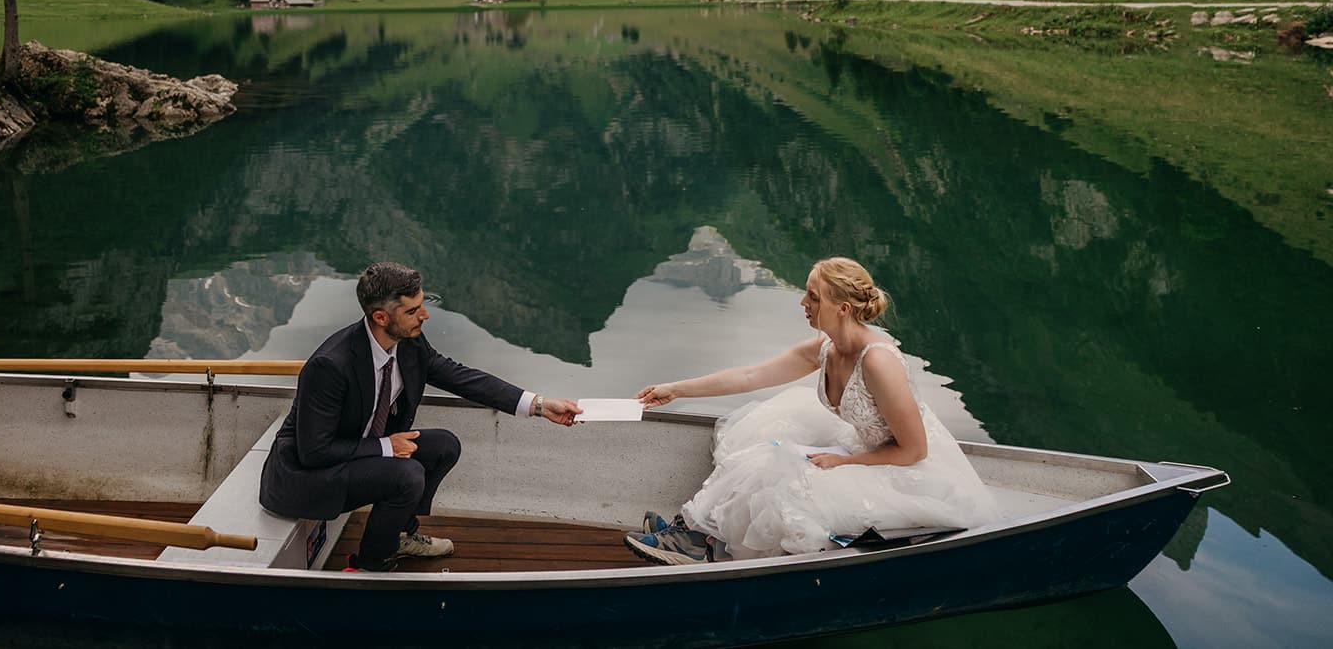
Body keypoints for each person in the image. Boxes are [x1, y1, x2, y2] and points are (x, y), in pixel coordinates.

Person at [625, 256, 997, 564]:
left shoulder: (879, 362)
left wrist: (845, 464)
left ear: (844, 308)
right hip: (860, 446)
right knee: (762, 449)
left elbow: (915, 450)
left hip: (903, 467)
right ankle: (697, 530)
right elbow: (751, 375)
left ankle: (701, 545)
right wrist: (675, 389)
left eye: (813, 296)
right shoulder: (827, 346)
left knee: (783, 476)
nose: (804, 303)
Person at [259, 261, 581, 571]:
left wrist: (539, 405)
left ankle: (398, 534)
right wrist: (387, 447)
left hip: (356, 450)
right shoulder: (330, 365)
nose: (424, 316)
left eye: (422, 305)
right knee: (407, 474)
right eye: (413, 311)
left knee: (444, 446)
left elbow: (461, 378)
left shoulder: (409, 343)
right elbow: (313, 452)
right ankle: (372, 566)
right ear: (381, 317)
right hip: (305, 477)